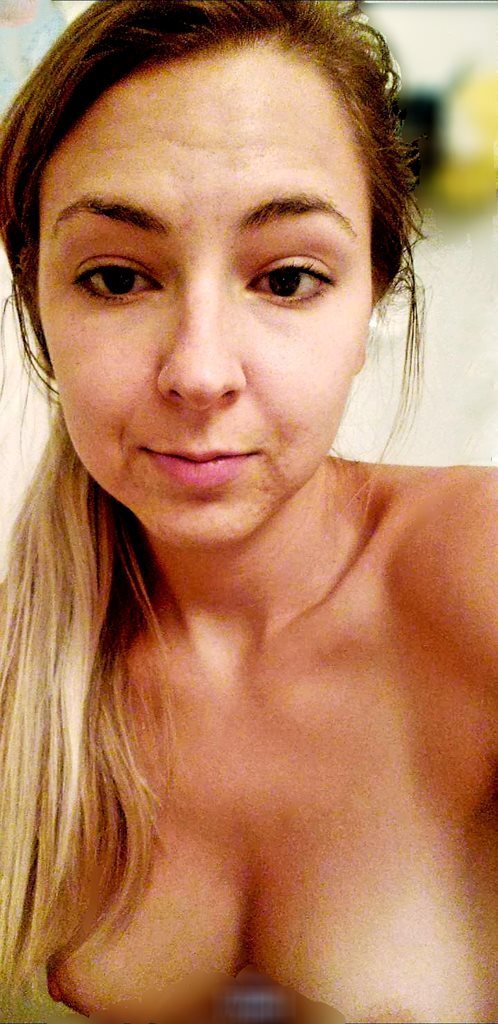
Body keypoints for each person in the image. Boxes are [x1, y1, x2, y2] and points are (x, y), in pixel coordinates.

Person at [0, 1, 496, 1021]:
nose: (199, 372)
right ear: (38, 306)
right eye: (115, 278)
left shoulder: (478, 571)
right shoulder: (15, 672)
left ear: (372, 298)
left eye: (287, 278)